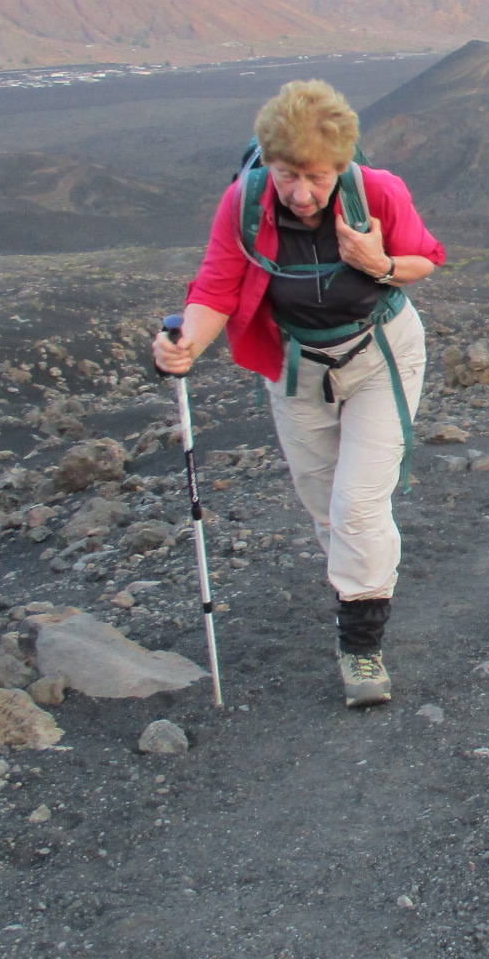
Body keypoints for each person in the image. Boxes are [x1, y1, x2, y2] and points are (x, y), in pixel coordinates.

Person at [149, 80, 446, 708]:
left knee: (358, 504)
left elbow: (424, 259)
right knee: (326, 509)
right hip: (296, 367)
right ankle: (360, 590)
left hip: (379, 355)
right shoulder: (244, 202)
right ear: (269, 162)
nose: (302, 194)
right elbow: (216, 289)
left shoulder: (377, 191)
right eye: (287, 175)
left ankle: (361, 646)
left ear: (340, 163)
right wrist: (185, 346)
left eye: (316, 177)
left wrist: (378, 263)